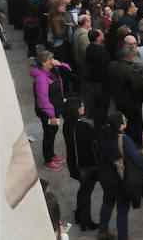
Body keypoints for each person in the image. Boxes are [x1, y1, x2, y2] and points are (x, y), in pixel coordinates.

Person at [96, 112, 143, 240]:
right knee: (122, 209)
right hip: (120, 179)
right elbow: (136, 159)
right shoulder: (124, 140)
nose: (126, 121)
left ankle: (103, 231)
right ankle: (123, 237)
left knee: (107, 202)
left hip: (105, 177)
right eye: (124, 119)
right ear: (121, 125)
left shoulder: (104, 135)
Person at [30, 51, 72, 171]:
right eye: (50, 59)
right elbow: (43, 100)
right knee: (49, 134)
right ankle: (48, 160)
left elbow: (69, 71)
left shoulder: (52, 71)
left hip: (55, 109)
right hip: (48, 113)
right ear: (44, 63)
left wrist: (60, 64)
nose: (53, 60)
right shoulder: (41, 78)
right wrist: (52, 116)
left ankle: (51, 154)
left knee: (52, 132)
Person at [61, 97, 98, 231]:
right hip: (86, 165)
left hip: (74, 164)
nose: (84, 107)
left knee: (83, 189)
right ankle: (86, 220)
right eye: (81, 106)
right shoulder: (83, 127)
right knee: (86, 191)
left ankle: (80, 214)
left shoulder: (67, 125)